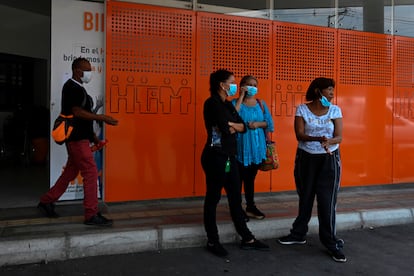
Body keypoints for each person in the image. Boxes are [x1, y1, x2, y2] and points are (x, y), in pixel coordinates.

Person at [38, 57, 118, 226]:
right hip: (76, 140)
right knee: (90, 172)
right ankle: (91, 214)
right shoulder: (71, 87)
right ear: (77, 71)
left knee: (70, 173)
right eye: (86, 70)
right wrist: (101, 117)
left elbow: (84, 120)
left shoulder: (79, 89)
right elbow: (77, 113)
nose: (90, 73)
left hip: (80, 139)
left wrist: (94, 138)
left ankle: (46, 201)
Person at [201, 69, 269, 257]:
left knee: (235, 199)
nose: (234, 85)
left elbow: (242, 127)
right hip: (215, 157)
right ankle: (213, 240)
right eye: (231, 82)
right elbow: (225, 128)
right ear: (221, 85)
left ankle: (247, 238)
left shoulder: (228, 105)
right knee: (213, 199)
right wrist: (231, 125)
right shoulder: (212, 103)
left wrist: (232, 125)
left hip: (230, 157)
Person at [277, 77, 345, 262]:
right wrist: (318, 139)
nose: (332, 94)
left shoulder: (335, 110)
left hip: (329, 159)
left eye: (332, 90)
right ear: (318, 91)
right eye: (329, 90)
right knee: (305, 197)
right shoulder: (302, 109)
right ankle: (298, 234)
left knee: (327, 201)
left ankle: (331, 243)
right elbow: (299, 134)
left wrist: (330, 141)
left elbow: (339, 137)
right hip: (306, 159)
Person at [232, 75, 274, 221]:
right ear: (242, 86)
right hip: (239, 148)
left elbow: (269, 124)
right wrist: (241, 95)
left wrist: (257, 124)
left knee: (250, 179)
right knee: (237, 180)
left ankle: (250, 206)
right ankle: (237, 209)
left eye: (254, 84)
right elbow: (231, 117)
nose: (251, 87)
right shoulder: (234, 103)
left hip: (256, 148)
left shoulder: (261, 104)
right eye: (248, 84)